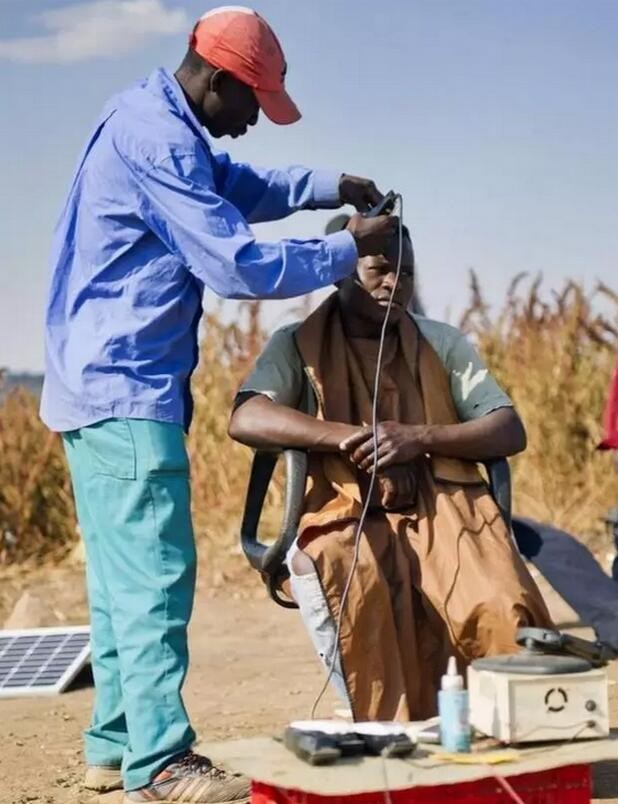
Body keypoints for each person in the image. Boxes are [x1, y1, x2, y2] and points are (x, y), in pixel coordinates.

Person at [40, 7, 396, 803]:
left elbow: (235, 185)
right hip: (127, 387)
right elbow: (237, 265)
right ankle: (162, 762)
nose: (251, 122)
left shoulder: (148, 115)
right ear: (217, 79)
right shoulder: (161, 141)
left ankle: (116, 744)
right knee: (157, 580)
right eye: (251, 104)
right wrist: (351, 248)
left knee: (119, 585)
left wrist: (327, 187)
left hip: (91, 387)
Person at [229, 224, 552, 721]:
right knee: (339, 574)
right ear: (339, 272)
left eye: (406, 273)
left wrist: (419, 438)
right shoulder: (297, 343)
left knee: (498, 604)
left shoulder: (440, 341)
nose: (394, 284)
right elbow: (247, 417)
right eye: (379, 270)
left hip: (444, 504)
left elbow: (508, 428)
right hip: (344, 506)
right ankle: (381, 726)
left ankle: (508, 725)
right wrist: (347, 437)